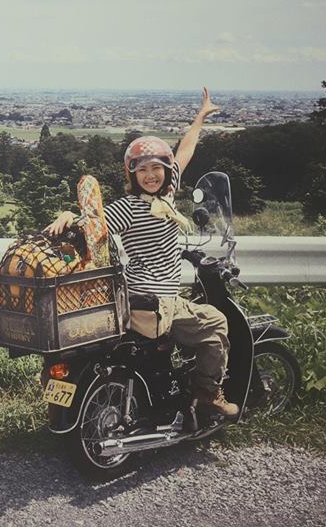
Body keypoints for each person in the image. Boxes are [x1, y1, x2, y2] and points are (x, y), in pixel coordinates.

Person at [47, 88, 238, 418]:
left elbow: (185, 152)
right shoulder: (132, 208)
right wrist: (69, 217)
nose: (151, 175)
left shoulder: (167, 195)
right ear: (131, 174)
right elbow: (95, 225)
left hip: (131, 297)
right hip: (156, 300)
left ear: (165, 171)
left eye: (157, 168)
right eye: (142, 170)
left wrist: (200, 117)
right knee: (217, 323)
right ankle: (208, 394)